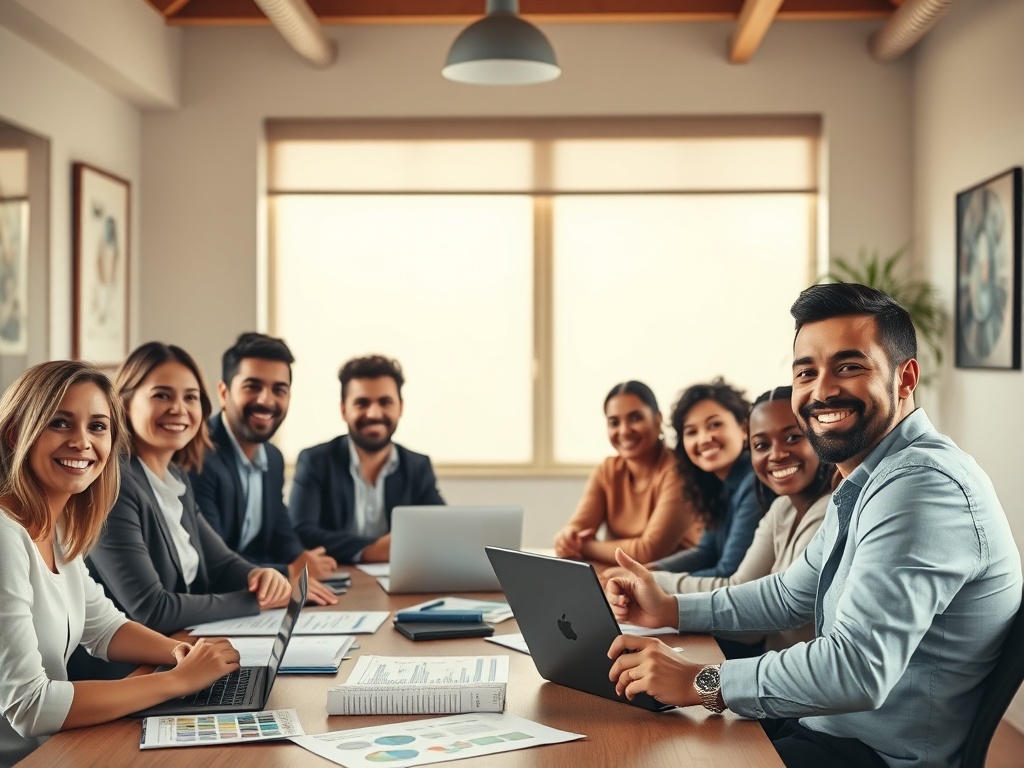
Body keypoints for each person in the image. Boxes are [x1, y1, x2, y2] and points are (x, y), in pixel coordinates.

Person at [604, 283, 1022, 768]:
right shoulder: (869, 478)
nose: (821, 391)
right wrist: (670, 608)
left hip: (871, 756)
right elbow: (788, 595)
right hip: (825, 728)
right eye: (807, 372)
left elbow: (857, 669)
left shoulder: (922, 488)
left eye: (849, 366)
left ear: (905, 378)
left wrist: (702, 680)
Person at [0, 361, 240, 767]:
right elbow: (30, 706)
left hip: (61, 748)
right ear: (15, 433)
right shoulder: (6, 537)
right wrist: (175, 680)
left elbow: (104, 627)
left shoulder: (57, 529)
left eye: (97, 426)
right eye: (60, 423)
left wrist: (182, 652)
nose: (82, 441)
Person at [87, 342, 291, 636]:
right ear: (124, 403)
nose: (178, 409)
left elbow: (220, 564)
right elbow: (151, 609)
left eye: (190, 397)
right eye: (162, 395)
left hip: (182, 649)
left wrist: (259, 577)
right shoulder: (113, 483)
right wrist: (253, 602)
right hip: (128, 671)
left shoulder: (175, 477)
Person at [636, 386, 831, 654]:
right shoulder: (781, 507)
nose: (776, 454)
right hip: (769, 658)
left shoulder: (828, 510)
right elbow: (710, 555)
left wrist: (656, 584)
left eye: (793, 437)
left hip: (795, 675)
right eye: (762, 445)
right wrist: (651, 574)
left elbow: (757, 598)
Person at [189, 332, 337, 606]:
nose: (266, 400)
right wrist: (288, 572)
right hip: (210, 605)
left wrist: (299, 559)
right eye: (252, 386)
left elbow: (281, 530)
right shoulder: (198, 454)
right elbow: (214, 558)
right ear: (223, 393)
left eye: (279, 390)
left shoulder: (272, 457)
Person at [291, 354, 444, 563]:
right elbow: (300, 530)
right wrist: (370, 550)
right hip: (337, 581)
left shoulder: (418, 466)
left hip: (399, 580)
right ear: (344, 410)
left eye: (385, 402)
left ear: (400, 407)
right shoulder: (315, 461)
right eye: (362, 403)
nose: (373, 413)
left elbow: (441, 528)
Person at [554, 381, 701, 565]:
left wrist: (585, 547)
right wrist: (566, 538)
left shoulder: (679, 472)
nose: (624, 431)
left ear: (657, 420)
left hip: (670, 583)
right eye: (614, 422)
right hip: (619, 578)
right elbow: (574, 531)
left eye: (635, 418)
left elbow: (647, 551)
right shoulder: (607, 470)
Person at [646, 378, 761, 579]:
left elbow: (728, 573)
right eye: (691, 431)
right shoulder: (719, 484)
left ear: (744, 429)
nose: (704, 439)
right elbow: (705, 553)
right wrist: (646, 570)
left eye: (714, 424)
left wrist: (648, 580)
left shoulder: (754, 481)